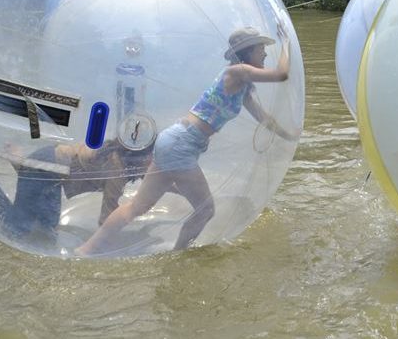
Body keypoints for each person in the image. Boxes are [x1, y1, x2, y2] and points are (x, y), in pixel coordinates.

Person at [76, 25, 298, 255]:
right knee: (206, 210)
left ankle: (86, 249)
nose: (264, 54)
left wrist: (290, 135)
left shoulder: (242, 85)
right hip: (181, 145)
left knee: (137, 207)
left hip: (174, 142)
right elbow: (282, 74)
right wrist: (287, 44)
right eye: (261, 49)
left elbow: (264, 118)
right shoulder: (237, 72)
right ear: (248, 51)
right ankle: (178, 257)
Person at [0, 139, 154, 241]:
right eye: (152, 161)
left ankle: (19, 160)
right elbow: (106, 218)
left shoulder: (116, 152)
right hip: (47, 170)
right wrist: (123, 239)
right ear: (141, 158)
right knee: (15, 229)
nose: (154, 167)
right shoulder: (117, 172)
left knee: (46, 226)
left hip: (50, 166)